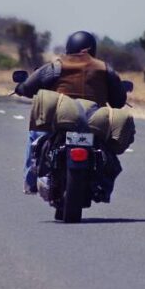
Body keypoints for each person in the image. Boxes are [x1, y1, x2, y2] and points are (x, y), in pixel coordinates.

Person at [14, 31, 128, 195]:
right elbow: (119, 101)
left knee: (35, 134)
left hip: (61, 120)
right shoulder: (105, 69)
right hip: (93, 121)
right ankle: (103, 184)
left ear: (69, 48)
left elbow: (28, 87)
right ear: (93, 49)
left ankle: (30, 182)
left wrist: (20, 87)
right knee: (107, 151)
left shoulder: (56, 66)